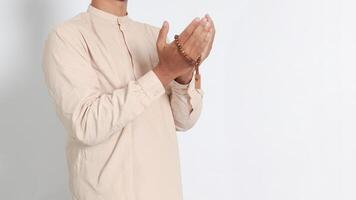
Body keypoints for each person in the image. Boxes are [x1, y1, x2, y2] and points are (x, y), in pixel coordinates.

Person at [41, 0, 215, 199]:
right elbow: (86, 124)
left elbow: (184, 120)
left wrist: (183, 72)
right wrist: (164, 72)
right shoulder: (67, 37)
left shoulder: (153, 36)